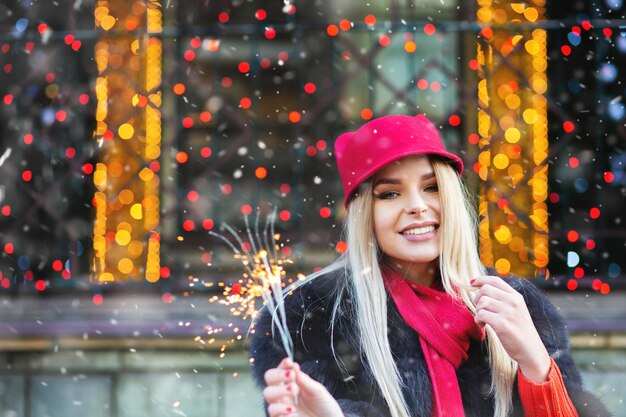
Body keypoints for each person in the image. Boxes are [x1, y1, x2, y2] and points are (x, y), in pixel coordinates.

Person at [249, 115, 610, 417]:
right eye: (390, 193)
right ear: (363, 214)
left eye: (432, 187)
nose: (418, 206)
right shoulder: (308, 318)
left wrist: (535, 363)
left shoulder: (515, 303)